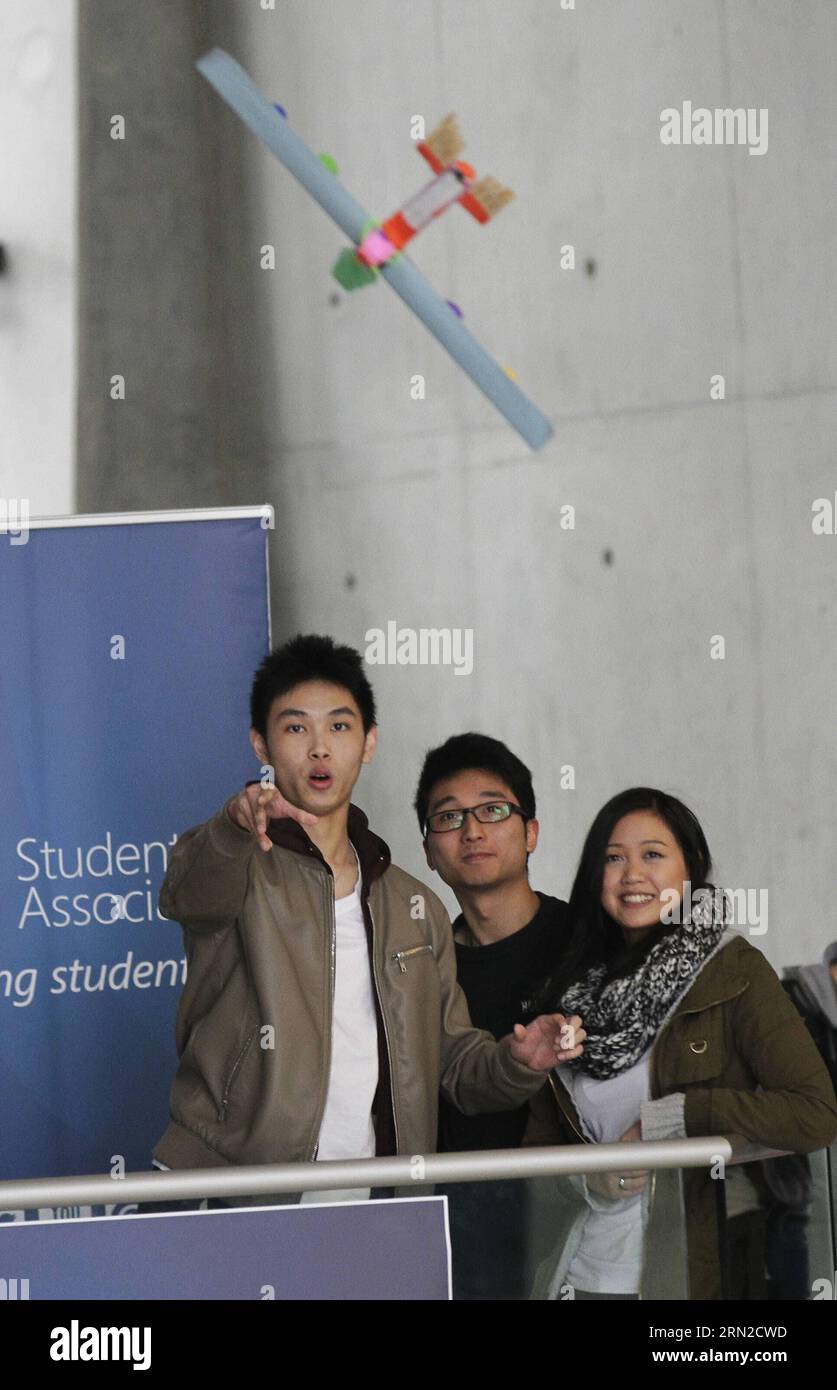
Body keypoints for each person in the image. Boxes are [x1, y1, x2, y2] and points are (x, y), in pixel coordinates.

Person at [150, 635, 584, 1210]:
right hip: (230, 1189)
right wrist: (233, 822)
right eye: (296, 728)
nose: (320, 749)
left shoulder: (414, 905)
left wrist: (517, 1063)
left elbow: (452, 1063)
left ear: (369, 743)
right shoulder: (234, 863)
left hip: (379, 1201)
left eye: (339, 726)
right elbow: (184, 892)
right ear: (261, 743)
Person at [523, 787, 837, 1301]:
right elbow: (537, 1156)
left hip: (679, 1281)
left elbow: (816, 1113)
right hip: (579, 1278)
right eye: (613, 858)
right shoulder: (570, 987)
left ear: (689, 868)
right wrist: (587, 1178)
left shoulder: (732, 970)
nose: (632, 875)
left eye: (652, 855)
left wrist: (670, 1119)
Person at [413, 732, 571, 1297]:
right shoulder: (416, 966)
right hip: (452, 1231)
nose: (472, 831)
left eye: (493, 810)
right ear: (429, 851)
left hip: (572, 1223)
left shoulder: (586, 943)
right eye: (449, 818)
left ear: (530, 833)